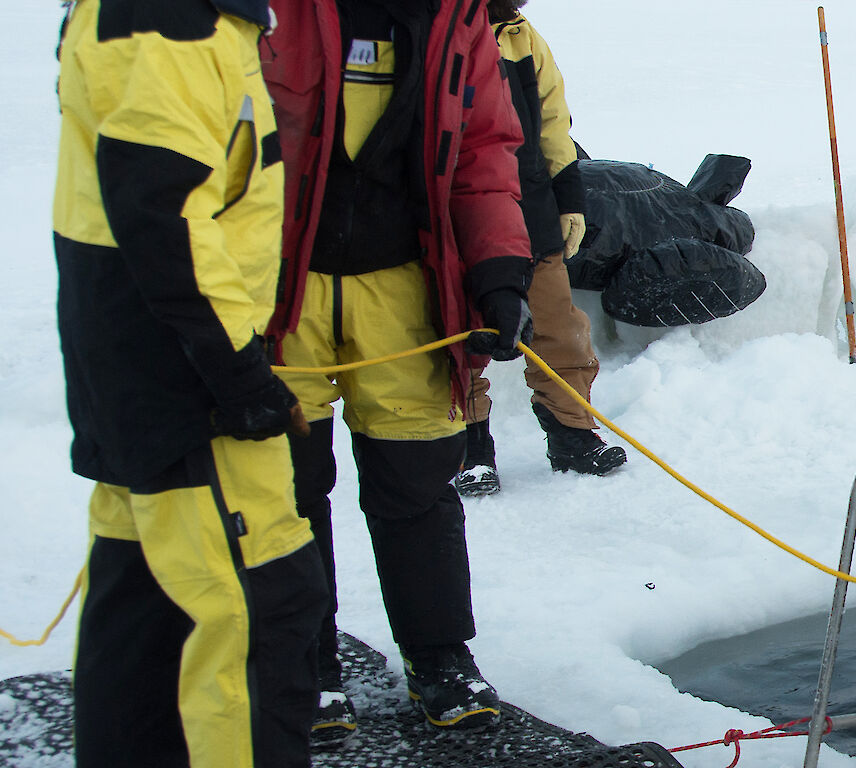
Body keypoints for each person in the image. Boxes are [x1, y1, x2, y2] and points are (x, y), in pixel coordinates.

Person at [53, 0, 330, 765]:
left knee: (147, 607)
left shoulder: (176, 18)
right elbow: (163, 215)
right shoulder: (168, 28)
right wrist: (239, 379)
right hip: (183, 377)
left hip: (139, 366)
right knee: (259, 610)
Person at [258, 0, 536, 746]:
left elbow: (484, 153)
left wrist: (500, 273)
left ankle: (440, 656)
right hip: (280, 287)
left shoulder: (458, 17)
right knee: (283, 486)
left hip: (406, 286)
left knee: (417, 484)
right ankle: (303, 666)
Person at [454, 0, 627, 498]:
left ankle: (571, 434)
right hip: (455, 209)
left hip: (529, 202)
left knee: (561, 328)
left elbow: (553, 121)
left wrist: (567, 198)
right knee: (458, 330)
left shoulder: (521, 35)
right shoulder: (436, 27)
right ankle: (469, 445)